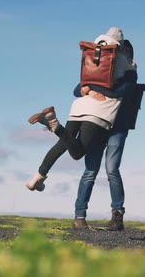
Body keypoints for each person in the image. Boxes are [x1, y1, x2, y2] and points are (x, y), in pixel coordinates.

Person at [26, 28, 136, 193]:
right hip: (98, 112)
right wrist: (95, 91)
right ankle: (54, 124)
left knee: (62, 145)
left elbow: (79, 88)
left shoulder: (94, 56)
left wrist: (89, 89)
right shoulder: (125, 64)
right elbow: (119, 92)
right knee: (77, 152)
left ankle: (38, 178)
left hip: (78, 108)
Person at [72, 39, 137, 231]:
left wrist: (91, 89)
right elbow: (77, 89)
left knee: (111, 170)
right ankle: (79, 217)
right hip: (98, 124)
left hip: (118, 127)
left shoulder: (130, 72)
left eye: (122, 53)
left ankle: (117, 216)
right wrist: (87, 88)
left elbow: (122, 91)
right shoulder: (100, 70)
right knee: (90, 171)